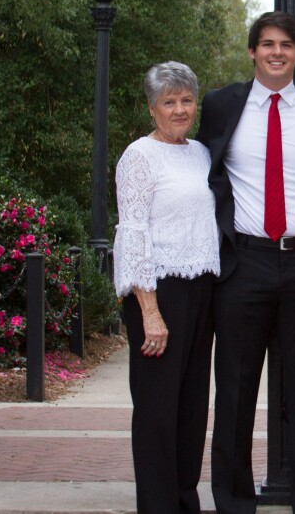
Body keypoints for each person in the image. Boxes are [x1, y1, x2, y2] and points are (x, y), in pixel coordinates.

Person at [195, 11, 295, 514]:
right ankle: (232, 501)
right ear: (253, 51)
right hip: (244, 264)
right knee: (233, 392)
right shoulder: (219, 105)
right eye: (267, 44)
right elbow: (198, 169)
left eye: (286, 45)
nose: (277, 52)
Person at [113, 61, 220, 513]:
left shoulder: (200, 153)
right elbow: (133, 231)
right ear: (152, 108)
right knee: (157, 410)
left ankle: (183, 499)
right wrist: (149, 311)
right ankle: (158, 506)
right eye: (169, 102)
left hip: (202, 291)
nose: (179, 109)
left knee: (192, 407)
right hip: (158, 294)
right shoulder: (139, 156)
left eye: (186, 100)